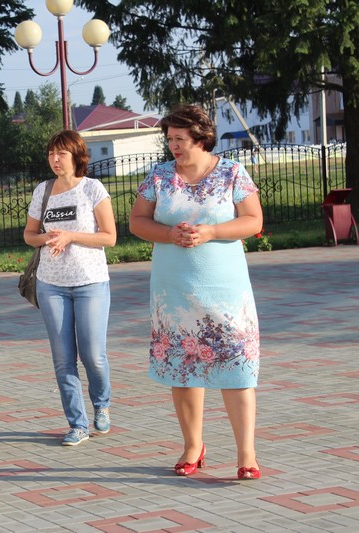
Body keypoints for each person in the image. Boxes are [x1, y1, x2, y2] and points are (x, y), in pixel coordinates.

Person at [129, 104, 263, 480]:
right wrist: (169, 233)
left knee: (237, 369)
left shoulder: (232, 172)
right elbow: (137, 222)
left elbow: (254, 220)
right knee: (184, 369)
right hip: (175, 291)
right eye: (169, 139)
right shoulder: (159, 176)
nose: (173, 145)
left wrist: (211, 232)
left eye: (180, 139)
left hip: (225, 292)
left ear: (201, 138)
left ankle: (246, 454)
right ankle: (192, 446)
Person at [23, 130, 117, 446]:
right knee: (63, 358)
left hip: (90, 282)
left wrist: (71, 236)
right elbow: (29, 235)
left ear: (77, 156)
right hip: (51, 285)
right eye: (51, 153)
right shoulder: (43, 190)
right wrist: (48, 238)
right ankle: (76, 423)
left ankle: (101, 404)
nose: (55, 159)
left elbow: (109, 237)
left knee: (93, 354)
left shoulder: (92, 189)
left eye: (61, 153)